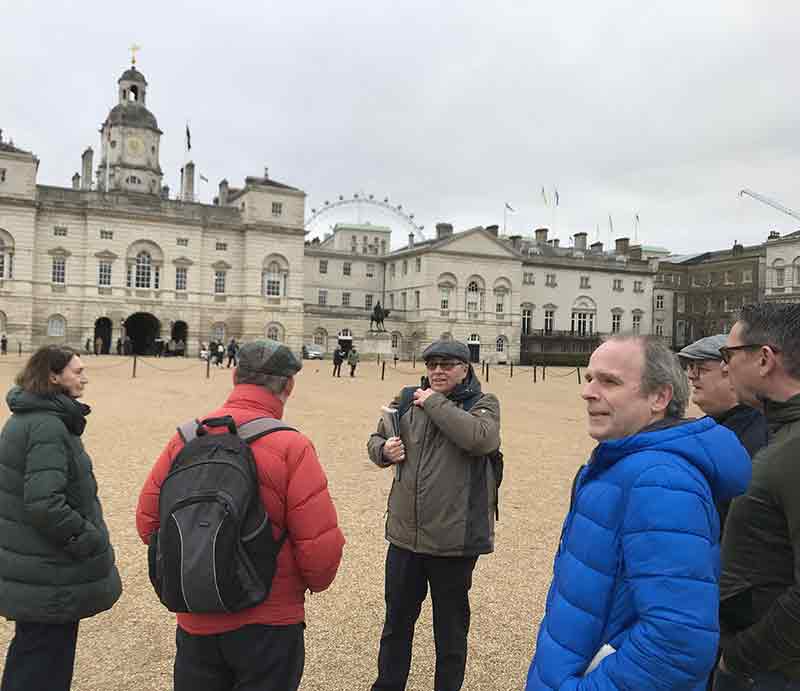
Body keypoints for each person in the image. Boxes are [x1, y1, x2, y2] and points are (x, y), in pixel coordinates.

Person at [526, 335, 751, 691]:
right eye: (588, 378)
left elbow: (678, 641)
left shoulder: (660, 481)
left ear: (659, 398)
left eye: (609, 381)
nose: (588, 391)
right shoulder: (622, 463)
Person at [137, 339, 345, 691]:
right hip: (269, 617)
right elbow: (319, 547)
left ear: (235, 376)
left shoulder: (186, 438)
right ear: (288, 385)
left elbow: (148, 524)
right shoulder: (292, 446)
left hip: (196, 614)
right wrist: (311, 584)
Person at [367, 339, 501, 691]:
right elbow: (375, 437)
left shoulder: (482, 403)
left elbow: (480, 439)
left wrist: (434, 402)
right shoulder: (408, 398)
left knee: (450, 631)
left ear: (465, 368)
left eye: (447, 365)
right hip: (404, 538)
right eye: (432, 365)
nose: (438, 371)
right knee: (396, 624)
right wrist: (383, 450)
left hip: (453, 542)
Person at [0, 345, 122, 691]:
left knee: (37, 657)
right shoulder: (46, 426)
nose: (84, 377)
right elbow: (44, 503)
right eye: (77, 371)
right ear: (54, 376)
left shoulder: (37, 418)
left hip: (40, 566)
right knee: (41, 665)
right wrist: (88, 540)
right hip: (48, 569)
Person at [714, 303, 800, 690]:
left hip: (772, 673)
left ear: (764, 358)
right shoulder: (783, 435)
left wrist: (739, 657)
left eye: (727, 355)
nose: (723, 367)